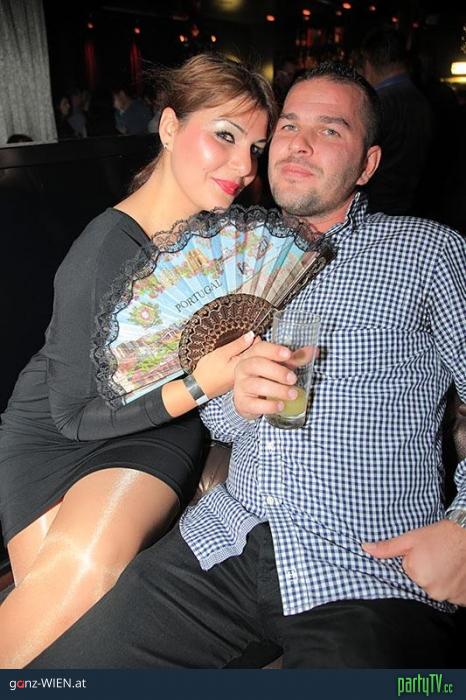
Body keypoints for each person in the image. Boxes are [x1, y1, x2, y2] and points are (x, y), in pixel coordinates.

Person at [29, 61, 465, 669]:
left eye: (330, 130)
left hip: (366, 567)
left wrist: (463, 529)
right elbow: (222, 424)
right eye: (288, 126)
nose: (300, 144)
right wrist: (234, 397)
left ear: (367, 164)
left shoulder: (427, 251)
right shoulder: (231, 256)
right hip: (223, 543)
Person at [0, 52, 276, 668]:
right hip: (53, 429)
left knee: (85, 576)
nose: (243, 166)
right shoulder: (105, 247)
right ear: (170, 127)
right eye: (225, 136)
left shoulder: (226, 245)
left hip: (153, 432)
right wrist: (201, 384)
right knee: (51, 636)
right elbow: (73, 414)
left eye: (255, 148)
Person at [356, 26, 433, 215]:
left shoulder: (377, 104)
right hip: (412, 204)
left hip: (375, 207)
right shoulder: (423, 100)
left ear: (367, 62)